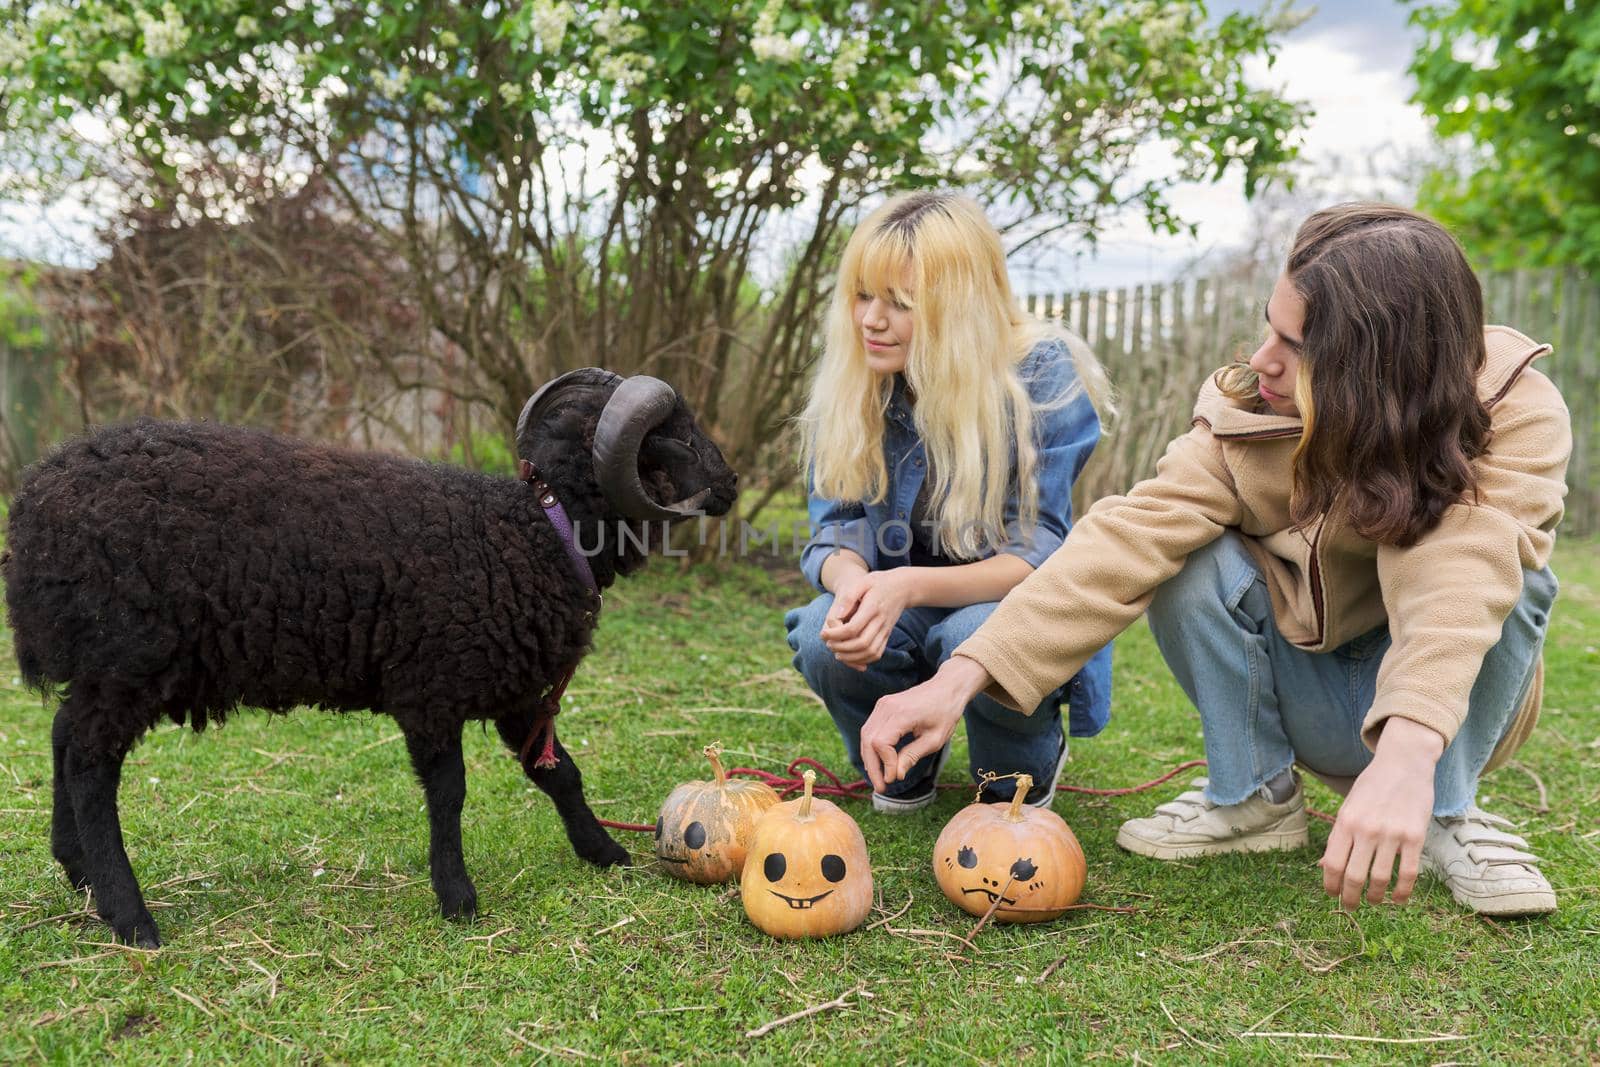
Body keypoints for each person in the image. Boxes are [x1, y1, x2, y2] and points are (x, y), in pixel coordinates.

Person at [860, 203, 1571, 915]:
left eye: (1296, 347)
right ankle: (1252, 797)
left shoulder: (1515, 409)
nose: (1263, 357)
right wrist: (956, 679)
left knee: (1515, 566)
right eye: (1271, 325)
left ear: (1377, 372)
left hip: (1441, 715)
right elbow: (1125, 539)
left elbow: (1459, 576)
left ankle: (1448, 812)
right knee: (1186, 551)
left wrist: (1409, 760)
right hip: (1311, 690)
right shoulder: (1249, 412)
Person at [785, 190, 1115, 813]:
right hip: (900, 604)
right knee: (822, 632)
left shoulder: (1040, 377)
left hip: (1003, 606)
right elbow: (836, 526)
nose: (870, 321)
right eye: (862, 295)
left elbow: (1036, 553)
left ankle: (1018, 767)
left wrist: (903, 586)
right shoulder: (860, 379)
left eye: (901, 303)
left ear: (957, 309)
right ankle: (902, 764)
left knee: (975, 630)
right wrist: (854, 585)